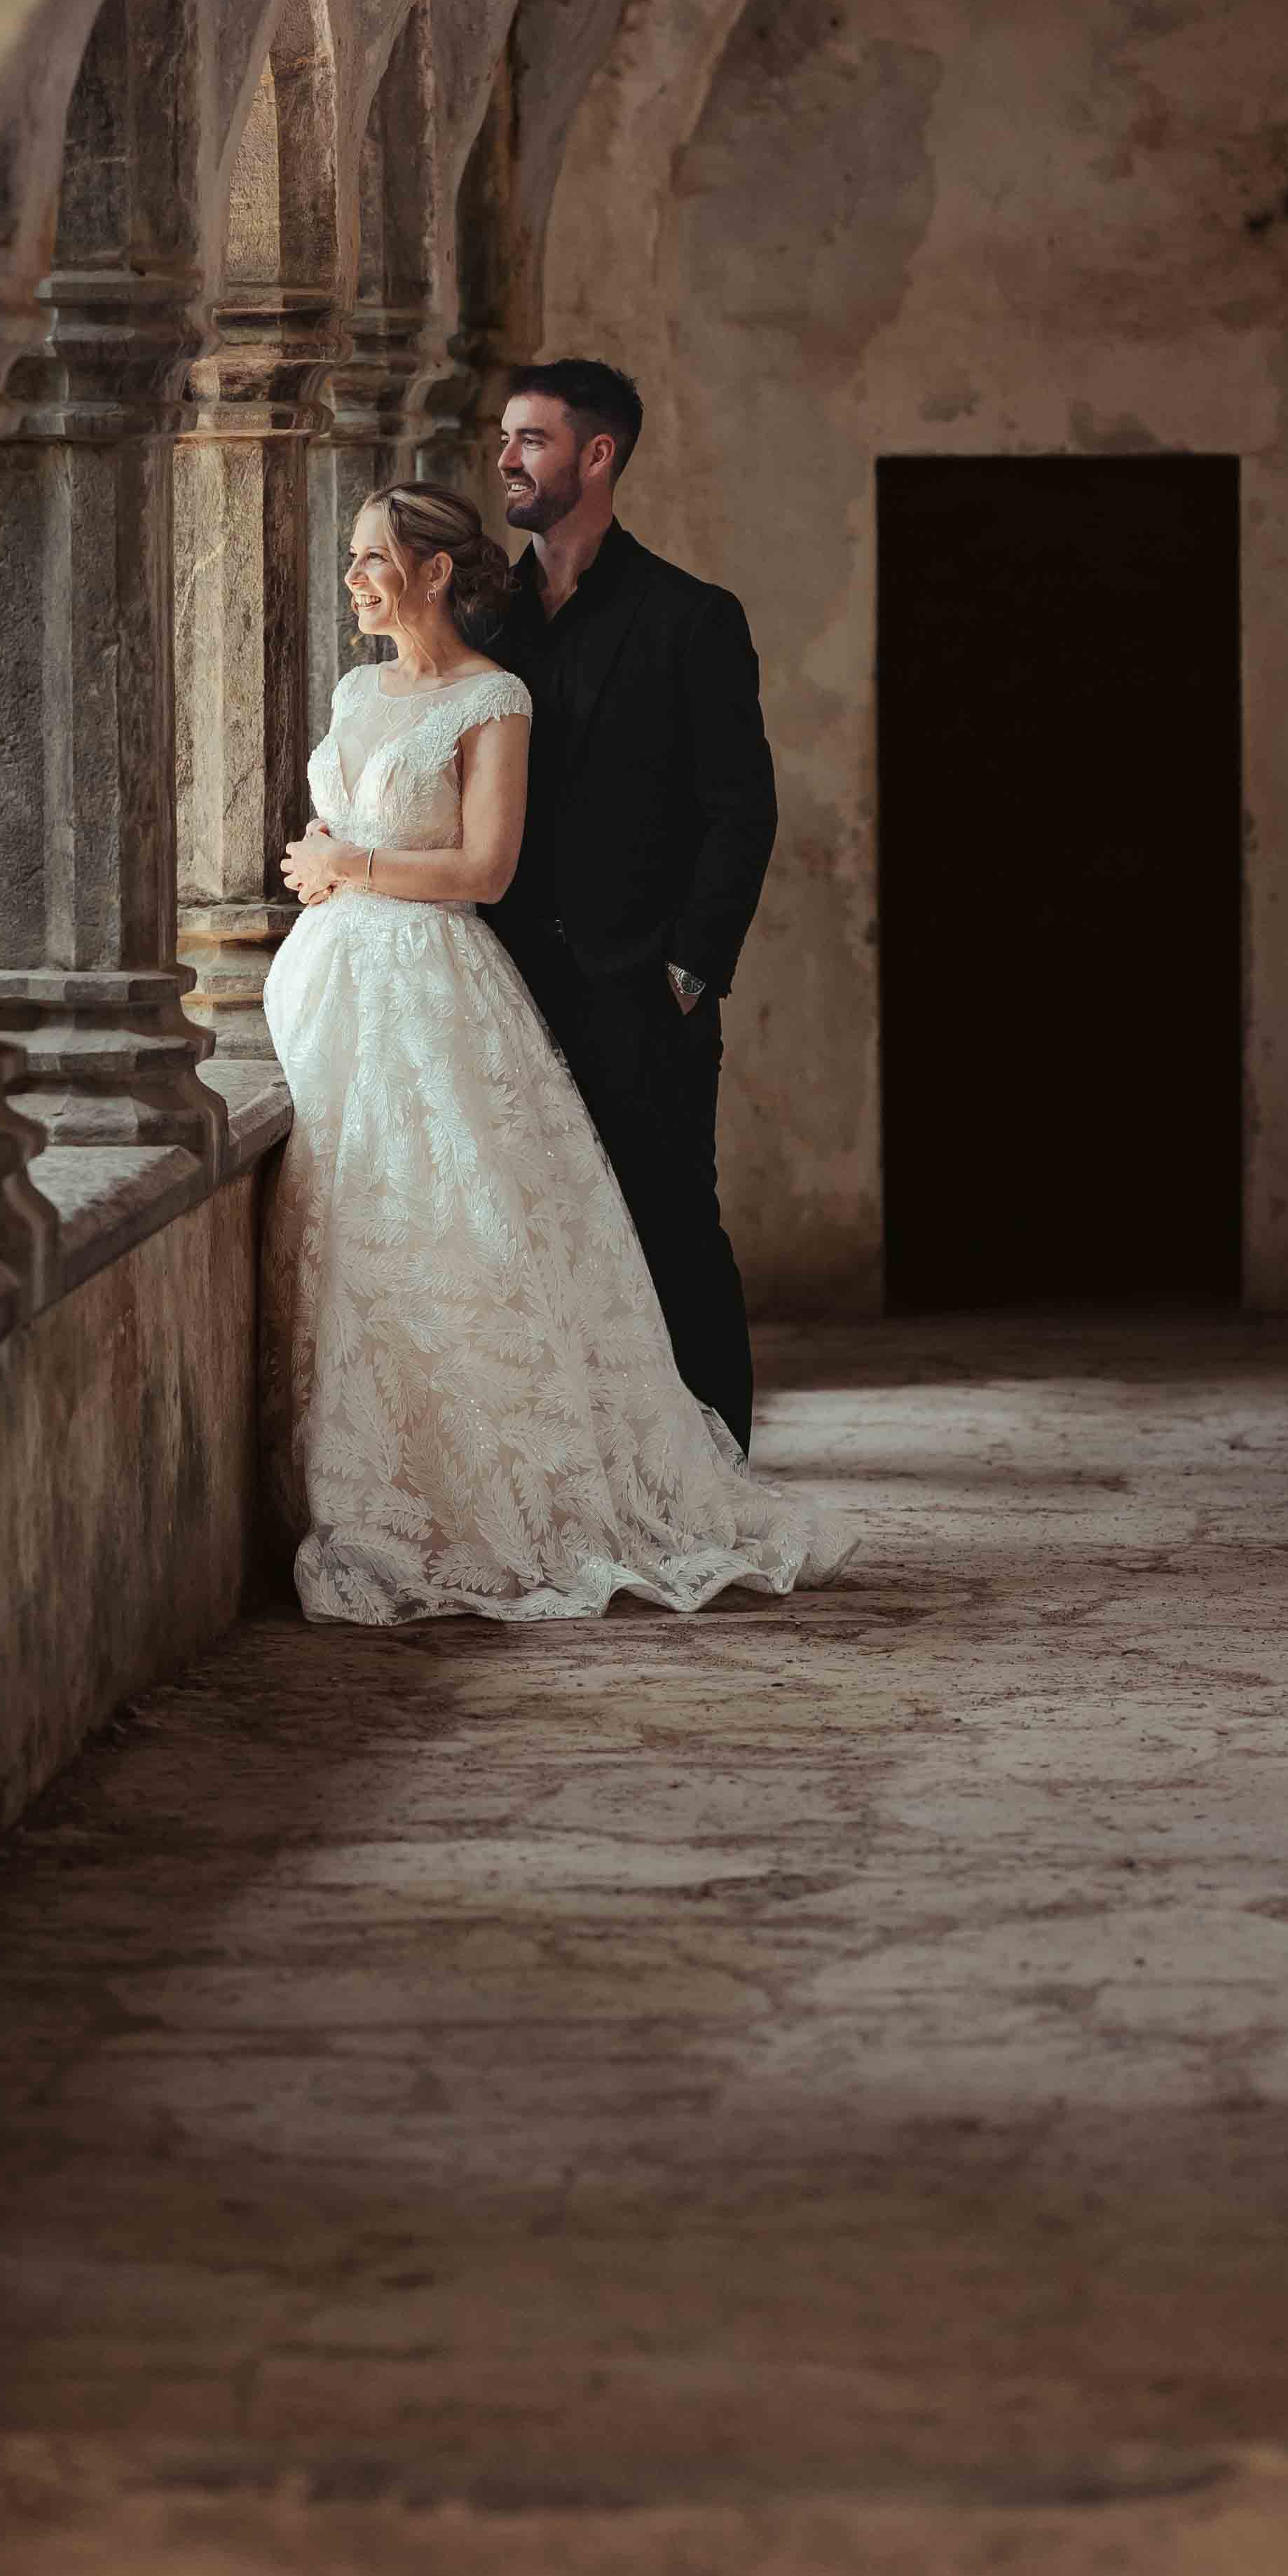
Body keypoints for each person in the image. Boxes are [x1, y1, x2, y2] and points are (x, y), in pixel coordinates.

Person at [261, 479, 849, 1627]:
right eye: (352, 558)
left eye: (373, 558)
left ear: (434, 572)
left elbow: (486, 871)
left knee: (466, 1232)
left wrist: (350, 871)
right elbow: (347, 826)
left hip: (435, 994)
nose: (354, 580)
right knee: (362, 1236)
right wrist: (322, 861)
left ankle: (497, 1489)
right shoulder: (351, 689)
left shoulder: (497, 699)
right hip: (331, 993)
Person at [488, 359, 775, 1451]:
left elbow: (739, 810)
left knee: (671, 1231)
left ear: (597, 456)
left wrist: (689, 968)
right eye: (506, 439)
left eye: (533, 440)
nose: (509, 460)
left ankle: (722, 1474)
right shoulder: (479, 614)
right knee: (541, 1241)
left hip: (641, 990)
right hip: (504, 991)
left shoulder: (691, 618)